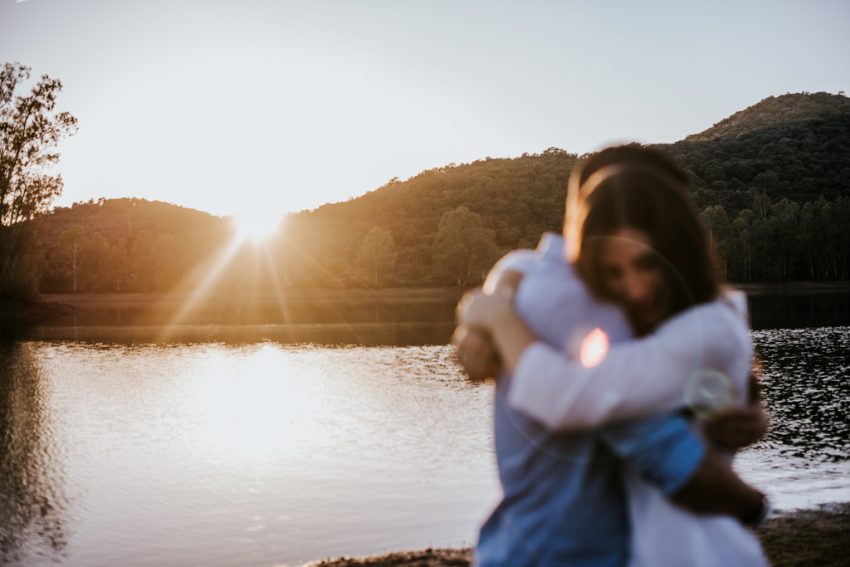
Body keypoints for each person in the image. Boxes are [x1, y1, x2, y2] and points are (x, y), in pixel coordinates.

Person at [454, 146, 769, 566]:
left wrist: (495, 314)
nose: (635, 289)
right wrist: (750, 502)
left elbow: (576, 397)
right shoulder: (594, 305)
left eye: (648, 264)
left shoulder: (688, 323)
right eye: (617, 272)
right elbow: (666, 447)